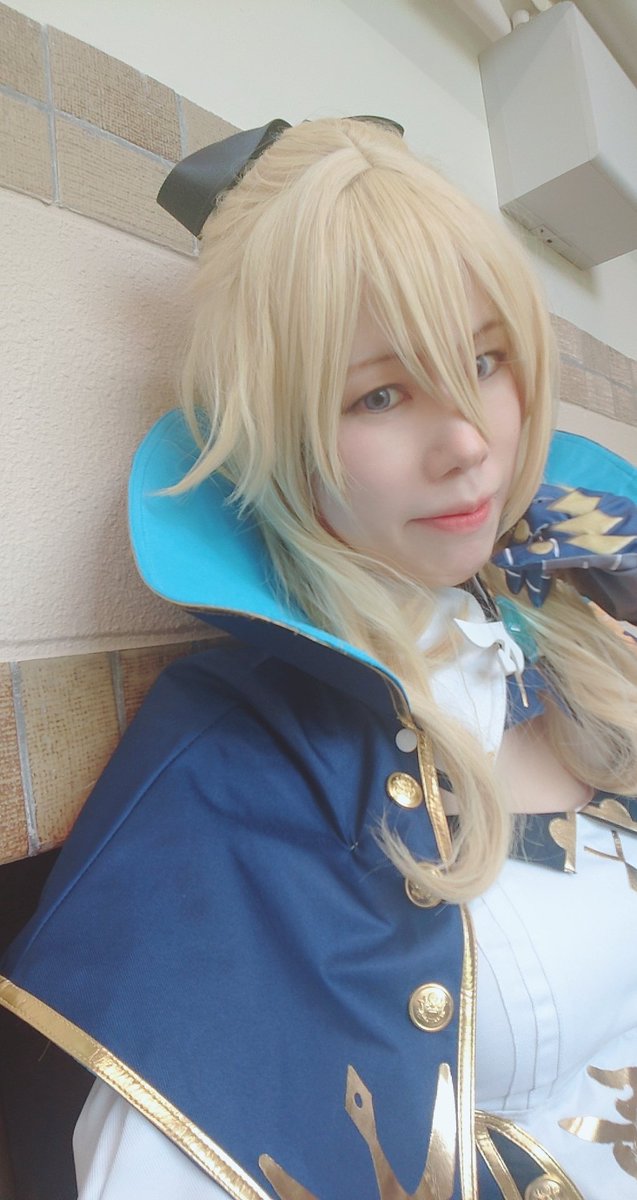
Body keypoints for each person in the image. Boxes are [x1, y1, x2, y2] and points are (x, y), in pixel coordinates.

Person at [2, 116, 637, 1200]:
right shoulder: (238, 757)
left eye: (483, 361)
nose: (468, 443)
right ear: (281, 441)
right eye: (380, 394)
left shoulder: (558, 614)